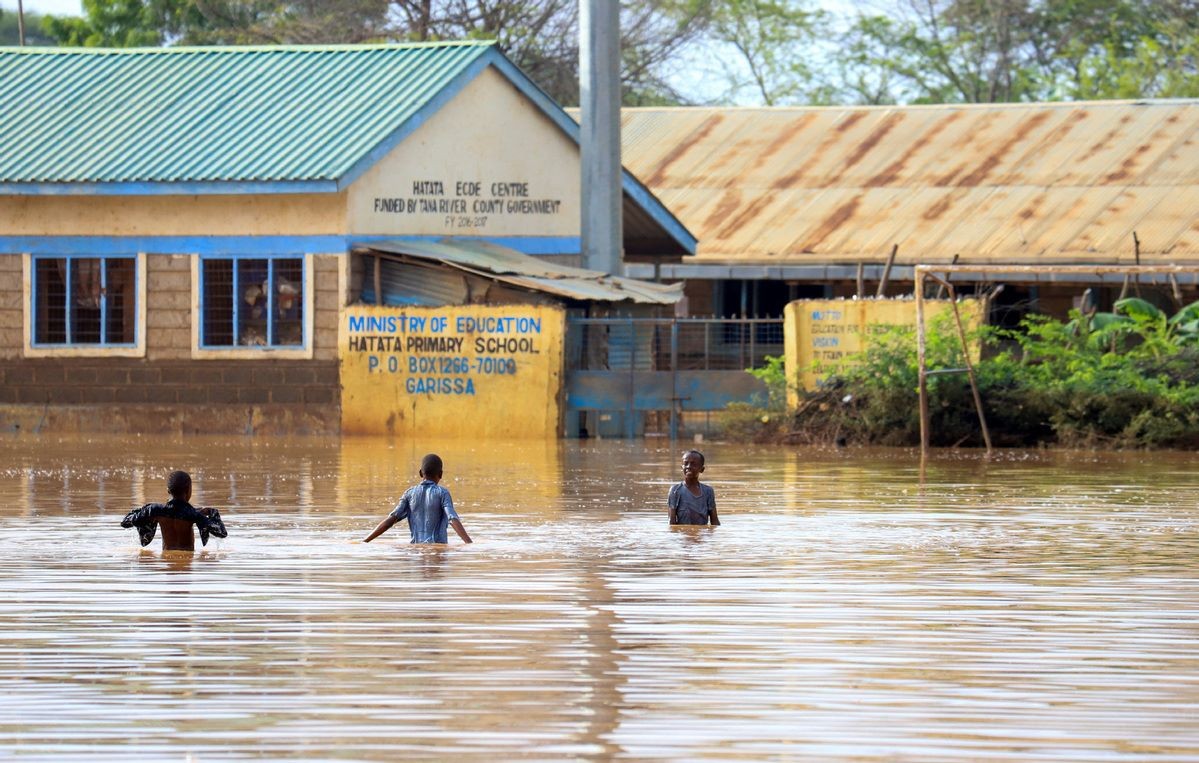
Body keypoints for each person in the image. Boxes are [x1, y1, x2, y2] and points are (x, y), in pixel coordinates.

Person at [363, 454, 473, 544]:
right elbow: (452, 519)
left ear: (420, 473)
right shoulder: (443, 493)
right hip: (438, 554)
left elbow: (390, 521)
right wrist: (469, 543)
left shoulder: (409, 494)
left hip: (416, 553)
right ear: (441, 474)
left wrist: (365, 541)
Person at [121, 470, 227, 552]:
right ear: (188, 490)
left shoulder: (156, 511)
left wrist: (146, 509)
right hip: (187, 560)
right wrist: (214, 514)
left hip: (166, 559)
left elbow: (126, 522)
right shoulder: (193, 515)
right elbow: (221, 533)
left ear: (168, 490)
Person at [668, 450, 720, 526]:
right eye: (686, 464)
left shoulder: (708, 491)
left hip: (702, 535)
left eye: (693, 464)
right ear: (682, 467)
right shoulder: (675, 490)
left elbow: (714, 521)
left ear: (701, 469)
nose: (688, 467)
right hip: (683, 535)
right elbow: (671, 522)